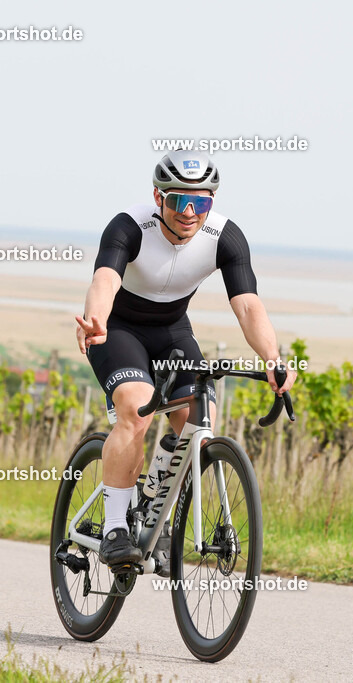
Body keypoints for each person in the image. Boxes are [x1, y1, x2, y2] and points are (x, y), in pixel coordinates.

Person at [76, 151, 296, 574]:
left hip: (173, 333)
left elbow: (248, 306)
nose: (190, 212)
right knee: (137, 409)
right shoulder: (129, 226)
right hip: (117, 330)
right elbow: (105, 278)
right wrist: (96, 319)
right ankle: (116, 527)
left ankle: (156, 515)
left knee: (201, 420)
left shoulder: (225, 236)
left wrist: (272, 358)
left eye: (202, 202)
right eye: (179, 201)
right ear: (158, 197)